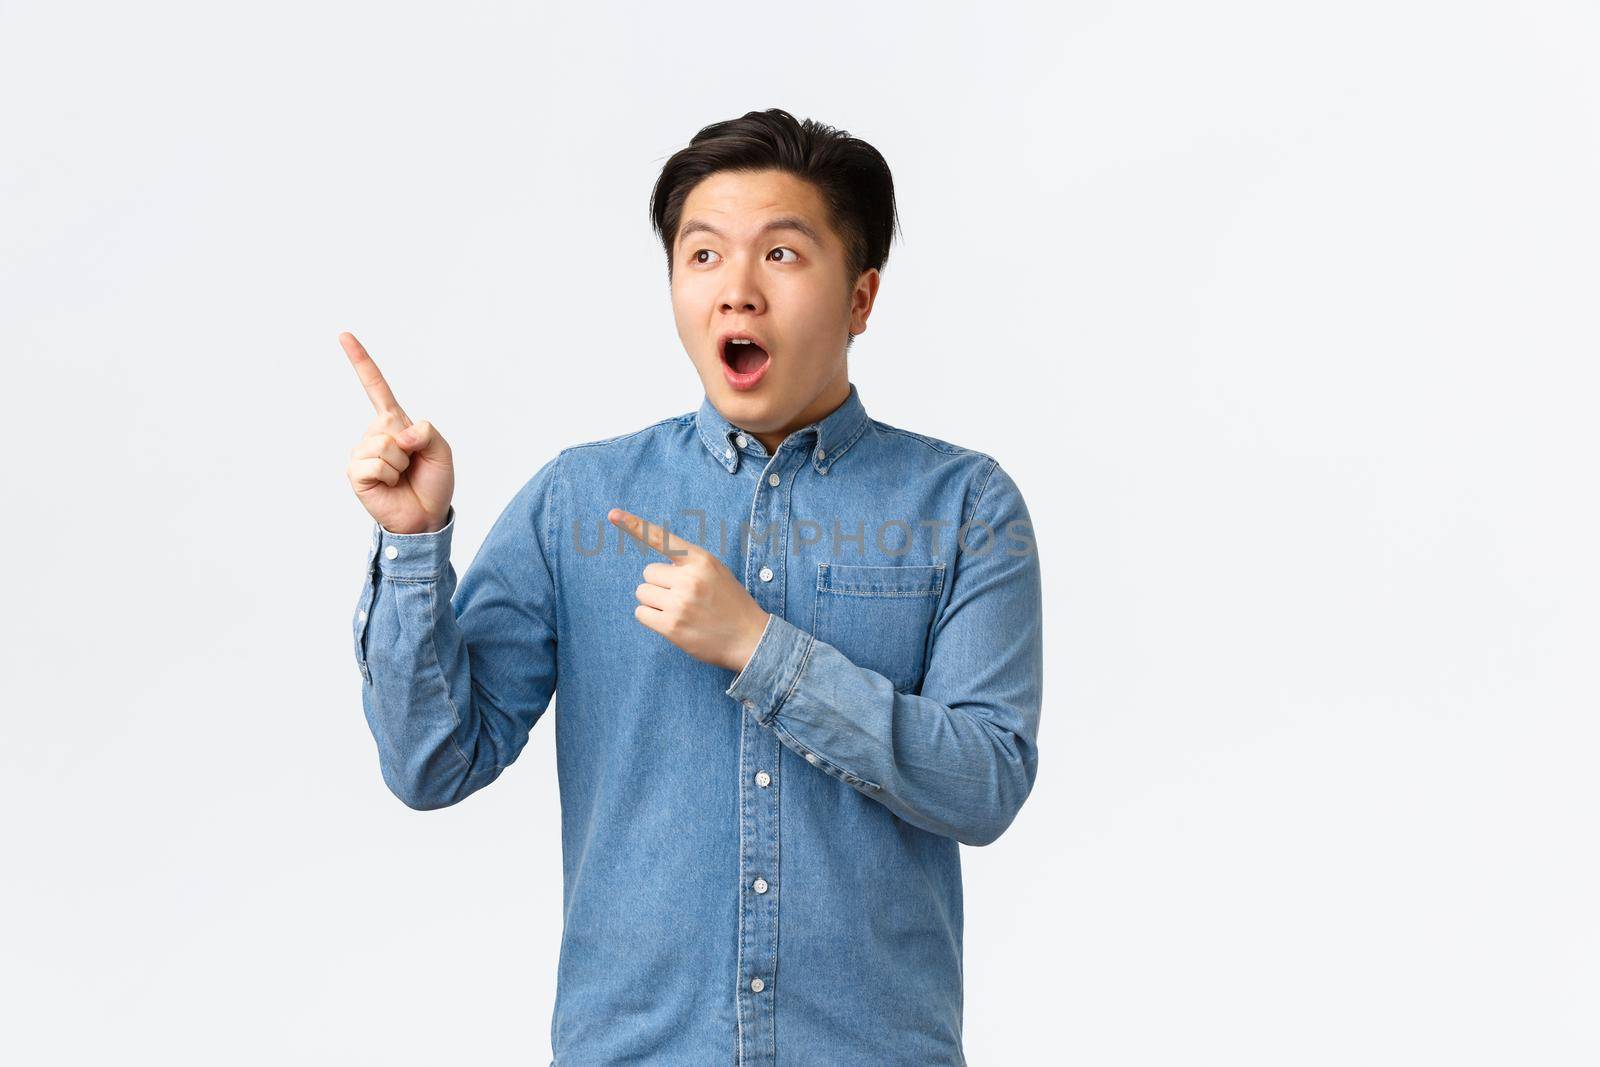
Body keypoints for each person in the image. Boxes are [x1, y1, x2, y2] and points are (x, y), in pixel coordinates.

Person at [342, 107, 1043, 1067]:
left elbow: (985, 782)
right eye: (703, 256)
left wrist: (764, 651)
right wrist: (415, 546)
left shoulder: (964, 504)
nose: (736, 294)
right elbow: (432, 763)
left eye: (784, 256)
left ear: (861, 296)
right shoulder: (577, 500)